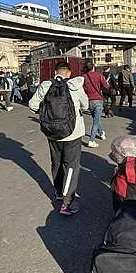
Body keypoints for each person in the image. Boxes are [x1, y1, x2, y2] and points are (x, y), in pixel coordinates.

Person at [29, 61, 88, 216]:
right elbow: (86, 106)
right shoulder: (75, 85)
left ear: (55, 72)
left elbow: (32, 105)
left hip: (52, 133)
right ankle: (67, 204)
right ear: (68, 73)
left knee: (56, 163)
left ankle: (58, 193)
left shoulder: (46, 85)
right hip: (72, 133)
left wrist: (47, 114)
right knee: (71, 167)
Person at [83, 61, 110, 148]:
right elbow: (106, 86)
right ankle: (91, 140)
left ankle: (101, 133)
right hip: (98, 100)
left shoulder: (84, 77)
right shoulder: (99, 75)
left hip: (89, 101)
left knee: (96, 119)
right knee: (95, 122)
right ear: (93, 67)